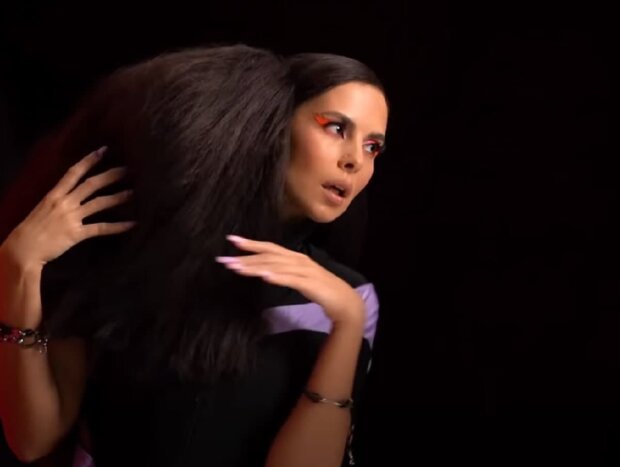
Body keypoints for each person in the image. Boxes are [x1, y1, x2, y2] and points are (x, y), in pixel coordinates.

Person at [0, 43, 388, 467]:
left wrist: (348, 325)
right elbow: (32, 440)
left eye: (373, 147)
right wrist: (17, 266)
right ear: (275, 124)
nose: (355, 160)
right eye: (336, 128)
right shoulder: (138, 252)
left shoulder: (348, 299)